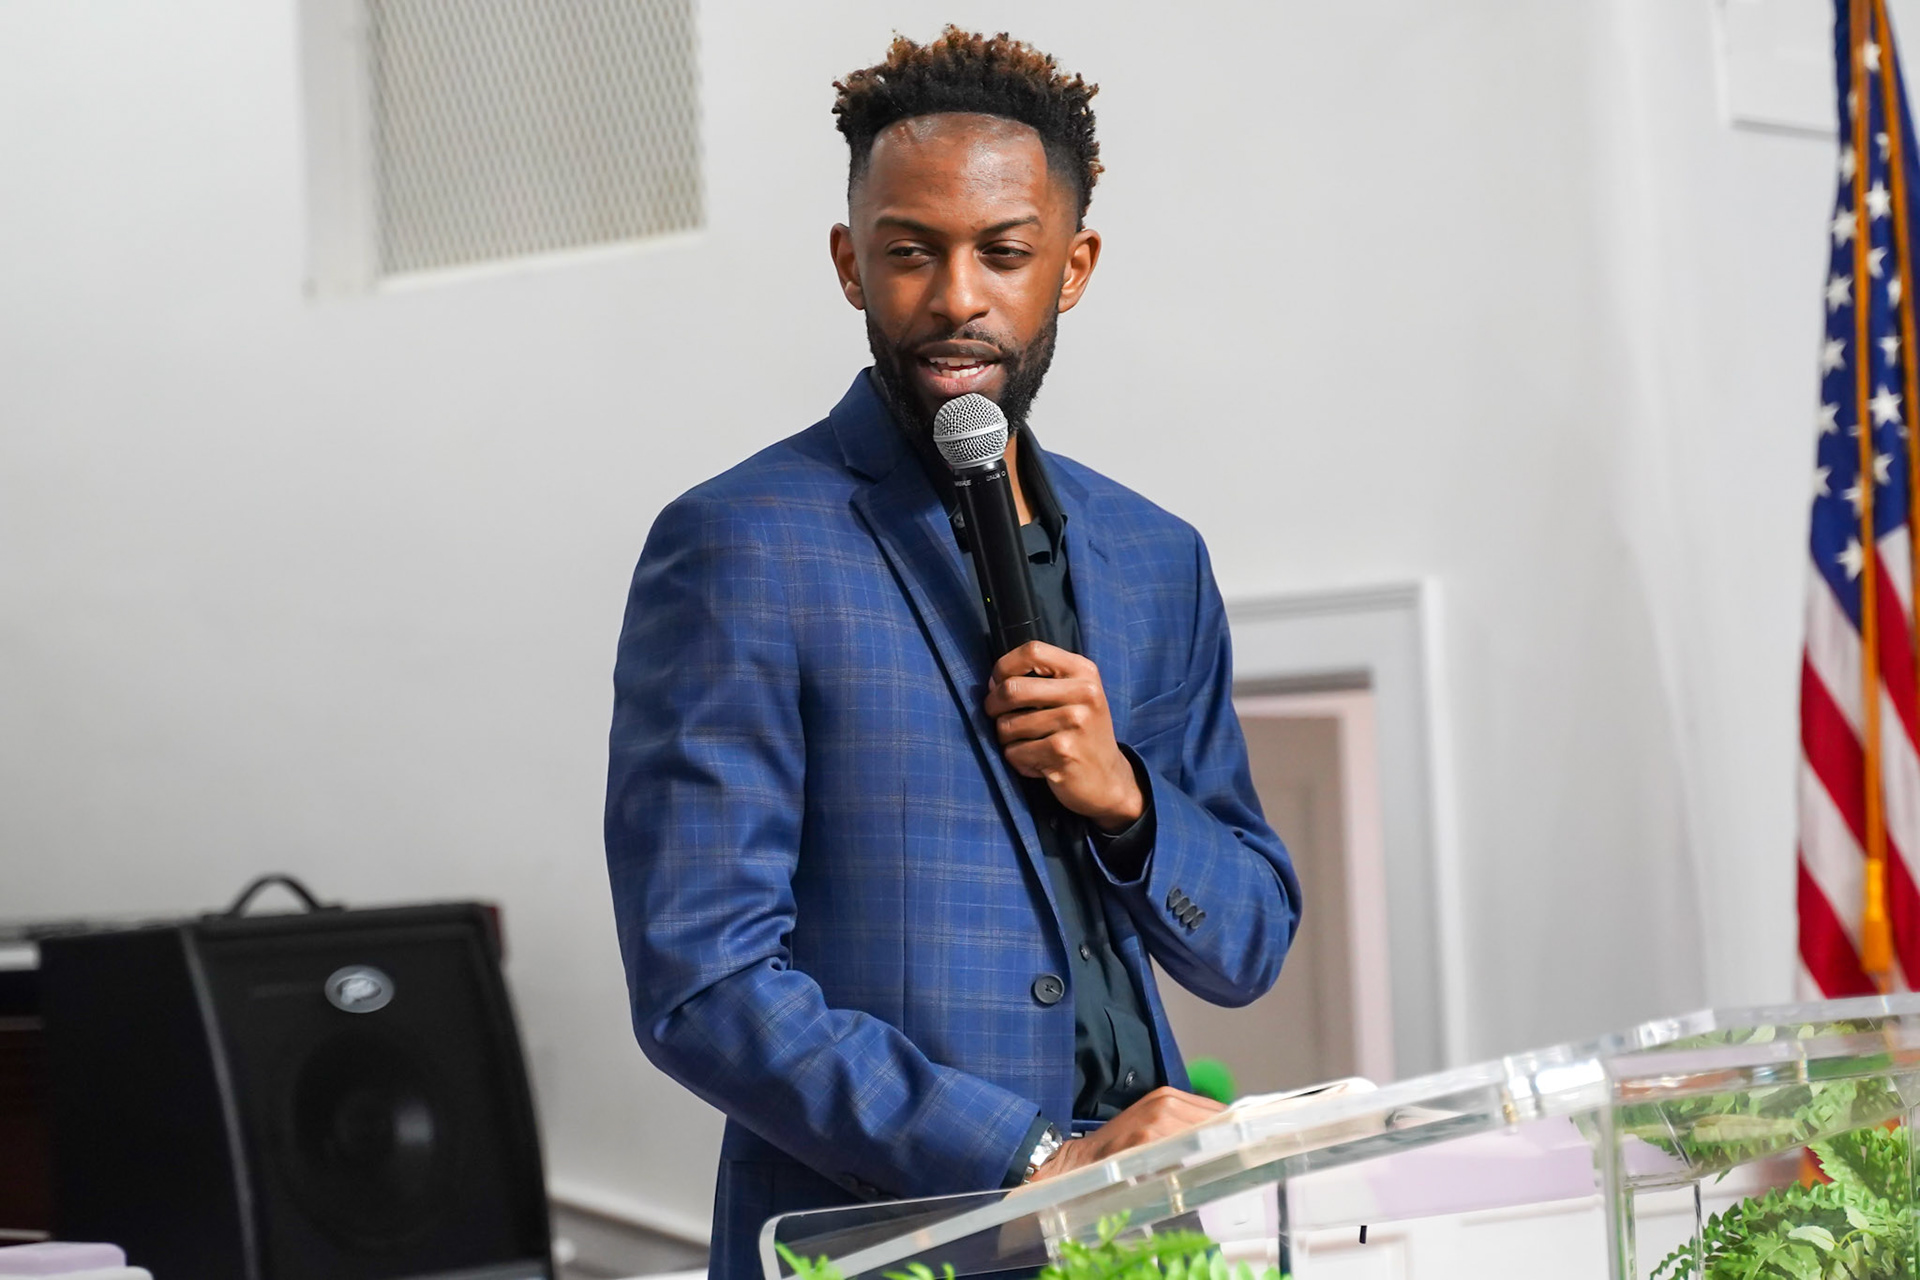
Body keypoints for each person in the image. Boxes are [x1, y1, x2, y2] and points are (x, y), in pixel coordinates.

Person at [605, 28, 1302, 1280]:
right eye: (911, 251)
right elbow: (703, 982)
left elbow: (1246, 939)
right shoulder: (740, 545)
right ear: (851, 264)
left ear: (1073, 267)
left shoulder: (1156, 557)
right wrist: (1034, 1158)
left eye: (1004, 252)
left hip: (1142, 1240)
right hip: (884, 1244)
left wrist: (1128, 799)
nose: (957, 298)